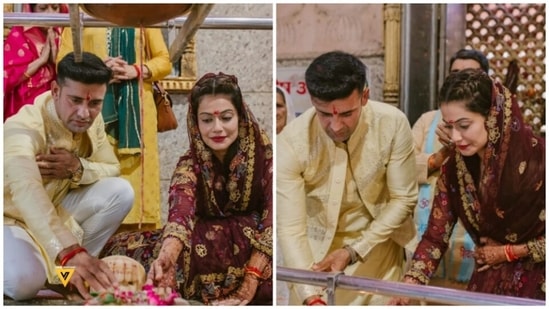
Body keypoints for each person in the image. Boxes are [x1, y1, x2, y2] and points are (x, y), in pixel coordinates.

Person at [99, 72, 273, 305]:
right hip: (201, 247)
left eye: (226, 117)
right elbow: (180, 214)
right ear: (195, 122)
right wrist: (168, 255)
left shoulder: (266, 158)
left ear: (240, 118)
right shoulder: (190, 164)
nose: (217, 128)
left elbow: (274, 219)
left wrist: (251, 279)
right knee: (123, 249)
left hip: (256, 252)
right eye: (207, 120)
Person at [389, 69, 545, 304]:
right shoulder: (455, 168)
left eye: (464, 125)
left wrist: (510, 252)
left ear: (493, 116)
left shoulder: (539, 160)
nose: (455, 138)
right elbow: (435, 237)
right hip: (487, 284)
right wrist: (412, 282)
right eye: (449, 127)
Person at [277, 51, 418, 305]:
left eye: (346, 114)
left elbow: (403, 199)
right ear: (312, 101)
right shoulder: (291, 142)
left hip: (378, 253)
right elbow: (291, 229)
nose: (336, 126)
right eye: (324, 114)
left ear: (365, 96)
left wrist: (354, 250)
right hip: (315, 261)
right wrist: (311, 298)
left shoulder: (392, 124)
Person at [3, 51, 134, 301]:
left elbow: (111, 167)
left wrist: (77, 168)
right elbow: (26, 189)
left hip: (56, 209)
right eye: (75, 100)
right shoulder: (23, 127)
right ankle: (63, 266)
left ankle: (68, 276)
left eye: (95, 103)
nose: (84, 113)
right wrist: (68, 250)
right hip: (9, 218)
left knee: (120, 192)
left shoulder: (90, 123)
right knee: (23, 284)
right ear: (55, 91)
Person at [57, 26, 172, 231]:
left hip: (139, 112)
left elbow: (164, 61)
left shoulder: (143, 13)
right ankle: (89, 244)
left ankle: (139, 247)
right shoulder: (84, 12)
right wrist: (98, 69)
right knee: (97, 169)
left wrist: (135, 70)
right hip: (93, 107)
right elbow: (62, 63)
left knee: (139, 181)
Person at [411, 48, 489, 290]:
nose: (461, 79)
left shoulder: (495, 127)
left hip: (481, 248)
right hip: (427, 233)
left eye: (470, 73)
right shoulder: (428, 120)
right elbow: (403, 167)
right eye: (455, 73)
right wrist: (439, 158)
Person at [3, 4, 68, 121]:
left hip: (57, 107)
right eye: (43, 8)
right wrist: (41, 61)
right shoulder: (18, 35)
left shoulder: (66, 34)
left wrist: (55, 62)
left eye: (55, 8)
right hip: (23, 109)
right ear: (31, 10)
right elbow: (6, 78)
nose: (50, 14)